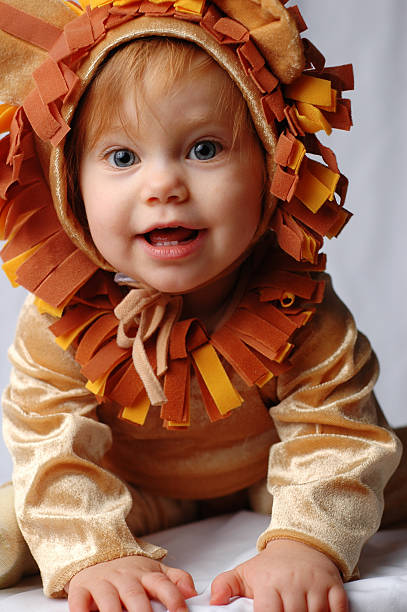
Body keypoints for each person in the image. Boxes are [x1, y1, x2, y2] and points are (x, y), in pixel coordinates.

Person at [0, 1, 401, 611]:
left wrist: (306, 543)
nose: (163, 186)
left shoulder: (293, 305)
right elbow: (48, 443)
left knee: (377, 464)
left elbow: (335, 426)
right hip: (130, 490)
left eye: (206, 149)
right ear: (70, 188)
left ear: (270, 165)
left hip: (272, 476)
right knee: (21, 512)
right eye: (123, 157)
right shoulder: (63, 319)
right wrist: (96, 553)